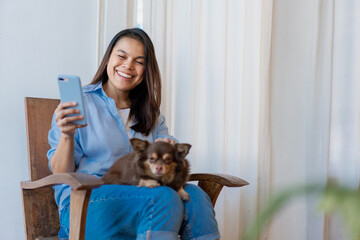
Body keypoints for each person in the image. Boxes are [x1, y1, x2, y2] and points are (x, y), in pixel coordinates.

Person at [47, 28, 220, 240]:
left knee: (195, 196)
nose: (128, 65)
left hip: (143, 196)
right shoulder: (81, 103)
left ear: (146, 69)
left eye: (139, 61)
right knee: (164, 197)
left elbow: (167, 147)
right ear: (108, 57)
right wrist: (66, 136)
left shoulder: (150, 113)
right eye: (121, 56)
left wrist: (168, 144)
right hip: (87, 202)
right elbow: (61, 173)